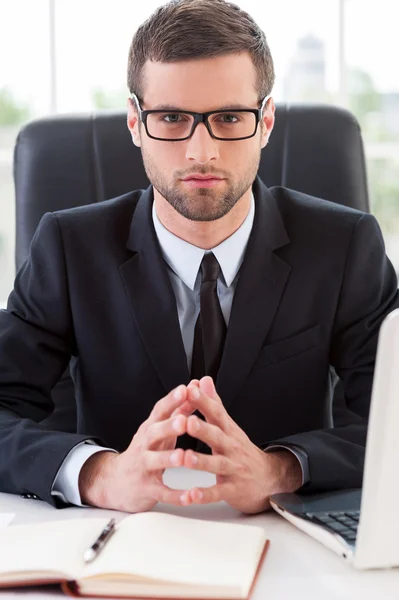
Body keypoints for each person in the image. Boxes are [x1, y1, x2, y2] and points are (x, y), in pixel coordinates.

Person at [0, 0, 398, 515]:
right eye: (171, 118)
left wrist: (282, 468)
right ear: (135, 123)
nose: (200, 152)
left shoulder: (345, 246)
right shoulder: (68, 247)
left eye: (230, 117)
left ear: (266, 121)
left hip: (288, 542)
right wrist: (97, 474)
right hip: (118, 541)